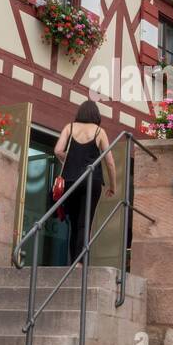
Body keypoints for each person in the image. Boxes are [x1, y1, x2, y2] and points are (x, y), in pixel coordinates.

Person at [54, 100, 116, 266]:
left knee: (74, 223)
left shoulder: (70, 127)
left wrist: (71, 159)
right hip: (91, 181)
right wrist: (113, 186)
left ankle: (74, 262)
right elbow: (110, 162)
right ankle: (80, 263)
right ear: (96, 115)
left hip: (70, 180)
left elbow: (58, 150)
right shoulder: (99, 132)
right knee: (84, 223)